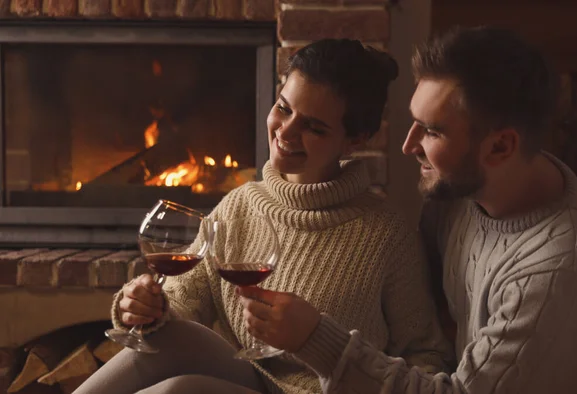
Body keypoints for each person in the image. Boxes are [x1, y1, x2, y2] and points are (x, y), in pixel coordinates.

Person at [74, 39, 453, 394]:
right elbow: (180, 306)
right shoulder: (240, 205)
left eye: (314, 127)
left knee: (180, 390)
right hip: (251, 379)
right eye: (283, 108)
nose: (286, 131)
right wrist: (143, 306)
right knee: (172, 345)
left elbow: (428, 359)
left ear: (356, 140)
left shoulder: (387, 235)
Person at [238, 26, 577, 394]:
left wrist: (317, 339)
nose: (408, 145)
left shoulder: (556, 272)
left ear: (500, 147)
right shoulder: (458, 193)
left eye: (432, 131)